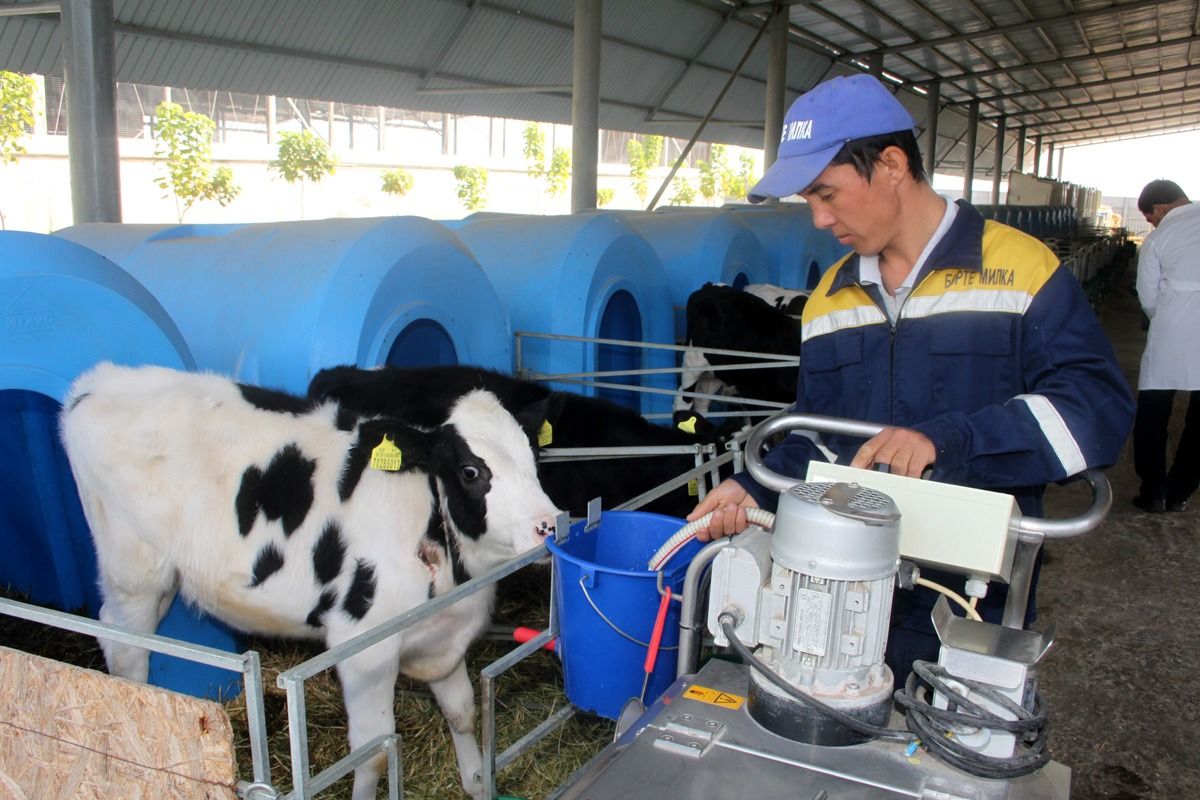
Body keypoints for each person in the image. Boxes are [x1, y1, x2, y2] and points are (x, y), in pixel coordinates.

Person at [687, 73, 1134, 684]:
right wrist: (757, 487)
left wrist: (948, 441)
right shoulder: (829, 300)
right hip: (845, 584)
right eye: (808, 201)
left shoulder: (1020, 272)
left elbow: (1095, 412)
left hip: (972, 591)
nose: (818, 219)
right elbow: (820, 435)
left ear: (892, 164)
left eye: (828, 193)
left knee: (955, 744)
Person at [1131, 179, 1200, 513]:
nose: (1151, 223)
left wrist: (1169, 317)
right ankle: (1181, 491)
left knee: (1153, 411)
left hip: (1172, 330)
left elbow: (1148, 297)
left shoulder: (1158, 238)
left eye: (1149, 217)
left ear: (1158, 209)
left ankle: (1153, 490)